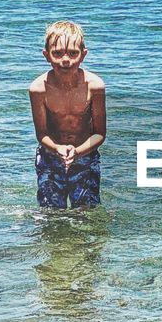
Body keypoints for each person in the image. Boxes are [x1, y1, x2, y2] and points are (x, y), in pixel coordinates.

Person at [28, 21, 106, 208]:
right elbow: (41, 134)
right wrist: (57, 149)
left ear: (83, 55)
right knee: (51, 213)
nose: (65, 60)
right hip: (50, 156)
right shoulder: (38, 89)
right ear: (46, 55)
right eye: (57, 53)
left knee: (86, 211)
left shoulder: (95, 86)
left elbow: (100, 133)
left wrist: (78, 152)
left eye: (72, 53)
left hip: (85, 155)